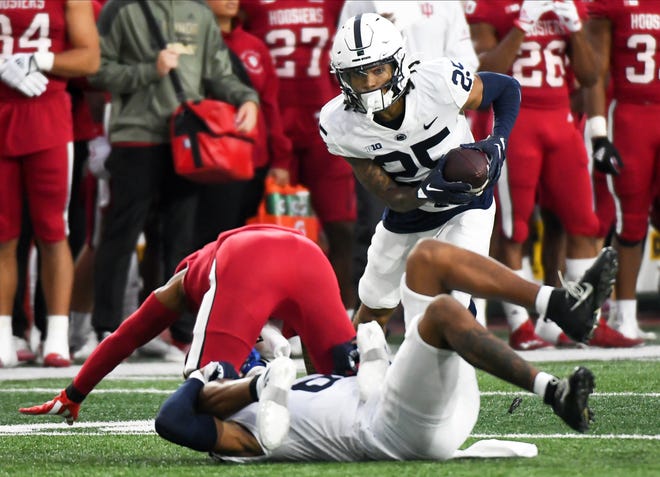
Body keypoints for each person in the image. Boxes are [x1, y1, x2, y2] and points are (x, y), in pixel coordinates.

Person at [140, 240, 616, 461]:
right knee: (445, 313)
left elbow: (340, 364)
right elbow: (173, 421)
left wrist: (353, 354)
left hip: (408, 397)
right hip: (395, 429)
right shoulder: (247, 432)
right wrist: (230, 382)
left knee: (428, 258)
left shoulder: (285, 384)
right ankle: (554, 392)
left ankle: (558, 304)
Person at [18, 224, 358, 423]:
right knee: (349, 392)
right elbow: (321, 370)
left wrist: (74, 392)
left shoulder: (186, 280)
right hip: (311, 257)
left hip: (245, 257)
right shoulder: (270, 302)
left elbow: (127, 336)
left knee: (202, 390)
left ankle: (255, 381)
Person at [321, 13, 519, 333]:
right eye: (358, 74)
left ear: (398, 64)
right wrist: (426, 191)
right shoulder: (339, 124)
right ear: (342, 78)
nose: (370, 82)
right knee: (374, 304)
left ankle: (451, 368)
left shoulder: (437, 81)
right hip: (410, 210)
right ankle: (355, 373)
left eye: (377, 69)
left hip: (466, 203)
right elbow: (389, 195)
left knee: (445, 298)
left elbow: (507, 88)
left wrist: (499, 140)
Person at [86, 0, 259, 348]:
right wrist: (149, 70)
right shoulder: (120, 9)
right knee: (123, 232)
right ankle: (106, 329)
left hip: (187, 139)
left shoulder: (198, 11)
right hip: (135, 135)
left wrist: (247, 98)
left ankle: (178, 332)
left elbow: (219, 72)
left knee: (182, 237)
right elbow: (96, 70)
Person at [466, 0, 637, 349]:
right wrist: (522, 25)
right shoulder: (489, 6)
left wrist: (573, 27)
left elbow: (591, 76)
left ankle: (586, 319)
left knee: (583, 223)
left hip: (561, 120)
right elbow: (483, 76)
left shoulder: (569, 4)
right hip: (515, 118)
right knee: (516, 230)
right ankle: (521, 325)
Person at [240, 0, 360, 313]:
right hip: (273, 119)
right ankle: (272, 313)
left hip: (325, 119)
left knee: (341, 225)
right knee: (272, 231)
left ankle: (342, 313)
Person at [0, 0, 100, 368]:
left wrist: (40, 60)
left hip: (47, 115)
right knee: (3, 232)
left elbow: (90, 59)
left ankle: (56, 336)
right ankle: (3, 334)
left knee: (53, 229)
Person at [583, 0, 660, 341]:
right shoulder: (612, 4)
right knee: (631, 219)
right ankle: (623, 314)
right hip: (631, 116)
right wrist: (599, 132)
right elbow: (595, 71)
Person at [194, 0, 293, 248]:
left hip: (254, 162)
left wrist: (280, 159)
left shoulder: (254, 47)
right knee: (208, 241)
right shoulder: (191, 44)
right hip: (209, 160)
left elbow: (270, 106)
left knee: (242, 242)